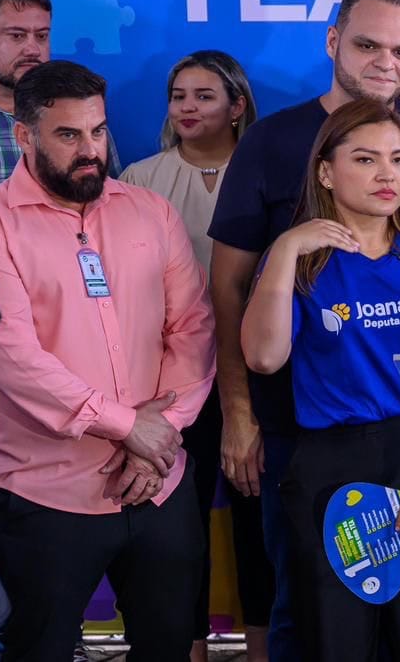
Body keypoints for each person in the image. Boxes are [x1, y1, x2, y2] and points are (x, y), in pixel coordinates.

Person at [208, 0, 400, 661]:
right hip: (318, 454)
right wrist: (287, 249)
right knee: (322, 635)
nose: (386, 174)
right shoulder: (290, 216)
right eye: (365, 160)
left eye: (397, 160)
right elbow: (251, 331)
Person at [0, 60, 214, 659]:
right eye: (68, 135)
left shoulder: (150, 211)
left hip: (158, 484)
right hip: (44, 494)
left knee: (169, 647)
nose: (90, 150)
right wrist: (127, 426)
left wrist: (158, 434)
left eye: (97, 131)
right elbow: (10, 354)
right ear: (24, 135)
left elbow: (192, 327)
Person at [120, 50, 270, 662]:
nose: (186, 107)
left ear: (237, 107)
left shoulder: (267, 172)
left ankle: (263, 650)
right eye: (178, 95)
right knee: (178, 531)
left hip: (254, 375)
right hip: (170, 384)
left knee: (259, 527)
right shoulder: (139, 179)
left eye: (204, 96)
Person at [0, 0, 121, 187]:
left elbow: (110, 198)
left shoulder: (82, 113)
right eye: (17, 36)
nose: (33, 50)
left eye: (42, 36)